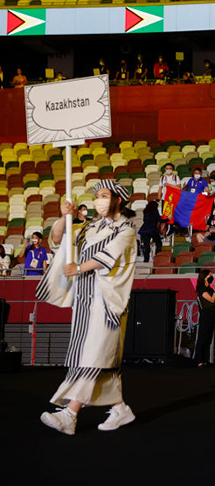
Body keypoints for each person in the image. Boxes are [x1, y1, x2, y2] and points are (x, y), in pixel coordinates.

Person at [36, 180, 138, 435]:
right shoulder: (90, 227)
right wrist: (64, 217)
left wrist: (79, 268)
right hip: (84, 301)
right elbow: (58, 241)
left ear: (118, 199)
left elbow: (109, 256)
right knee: (99, 359)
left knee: (91, 358)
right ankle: (120, 408)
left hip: (107, 303)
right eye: (96, 195)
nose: (98, 200)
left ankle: (70, 414)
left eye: (104, 195)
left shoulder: (126, 228)